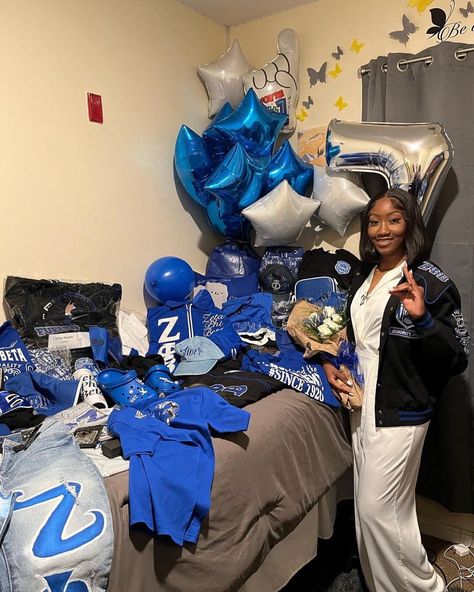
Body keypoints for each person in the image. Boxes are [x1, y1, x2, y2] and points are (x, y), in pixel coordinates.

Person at [322, 188, 469, 592]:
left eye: (393, 219)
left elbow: (457, 357)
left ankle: (423, 588)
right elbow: (357, 338)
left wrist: (422, 319)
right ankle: (384, 584)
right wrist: (334, 363)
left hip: (401, 407)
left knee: (374, 511)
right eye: (374, 221)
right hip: (361, 400)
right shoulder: (362, 276)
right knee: (388, 513)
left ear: (410, 225)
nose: (381, 229)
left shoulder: (430, 280)